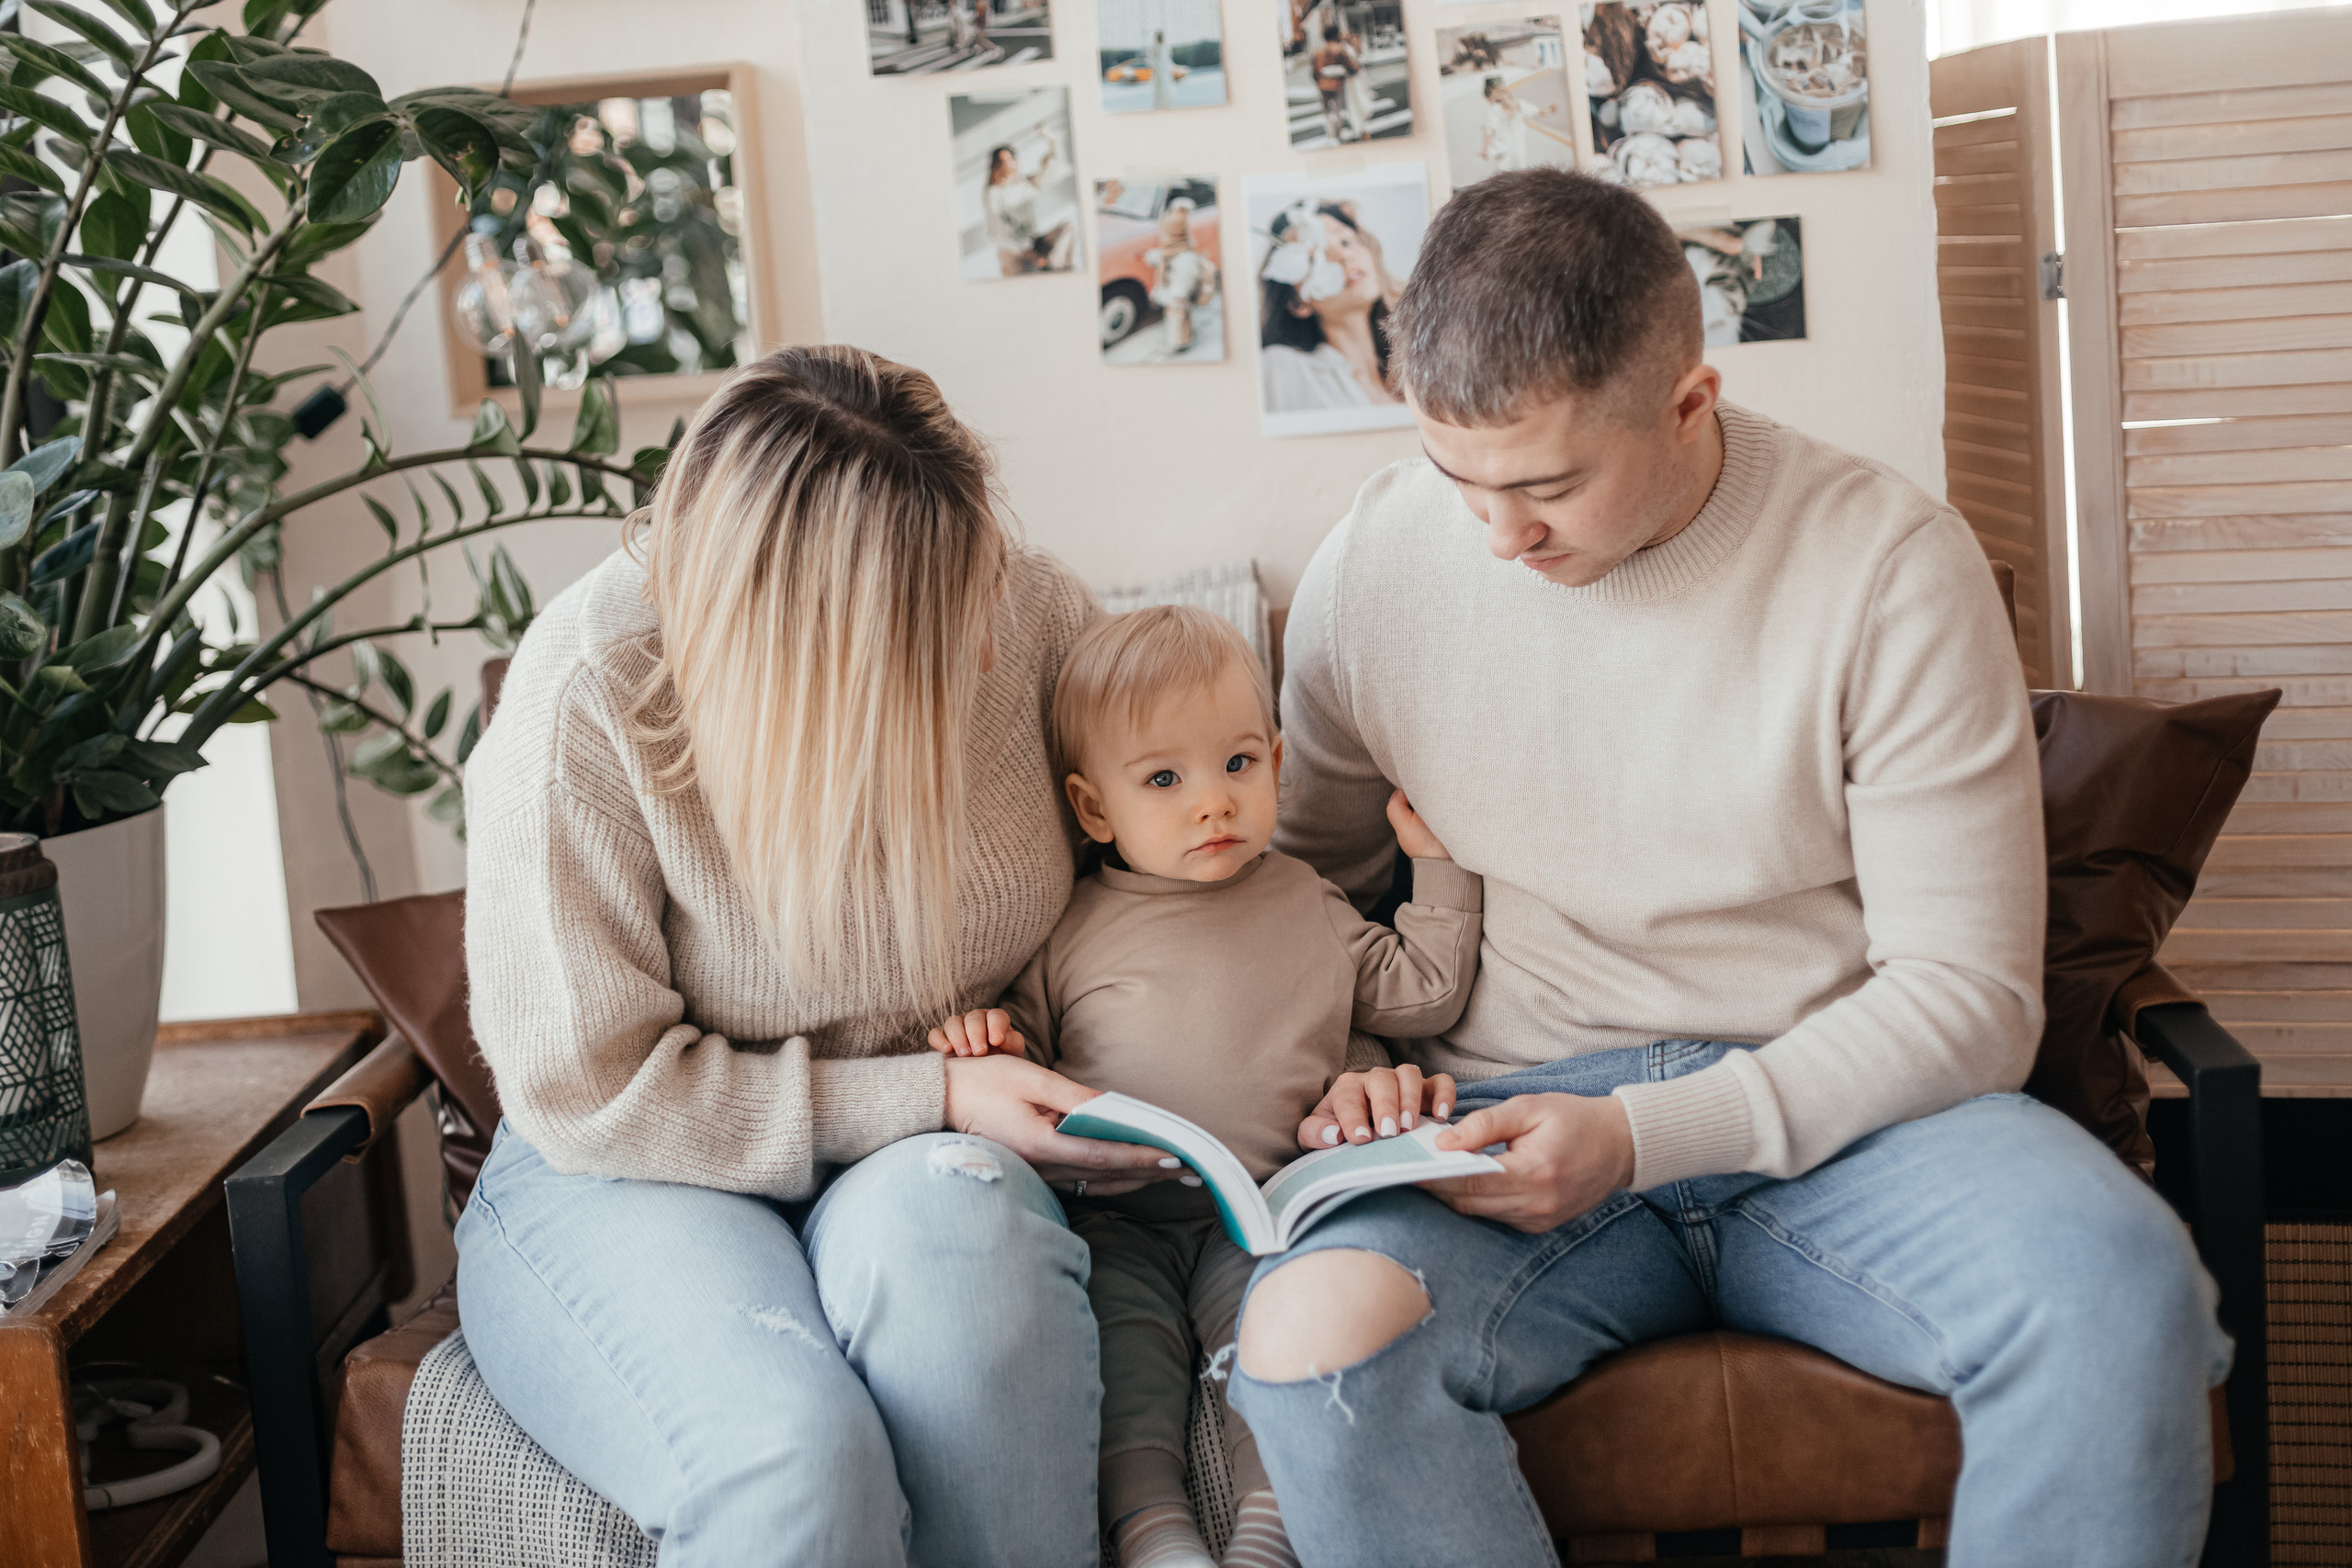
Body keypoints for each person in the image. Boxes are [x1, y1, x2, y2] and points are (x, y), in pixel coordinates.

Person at [1228, 169, 2230, 1567]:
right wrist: (1343, 1057)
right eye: (1461, 479)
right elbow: (1295, 893)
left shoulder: (1888, 561)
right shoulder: (1379, 559)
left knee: (2123, 1291)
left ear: (1690, 401)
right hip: (1502, 1120)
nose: (1501, 538)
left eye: (1551, 486)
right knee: (1303, 1333)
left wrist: (1649, 1136)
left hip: (1853, 1113)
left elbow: (1969, 996)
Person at [456, 345, 1178, 1568]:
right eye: (941, 634)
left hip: (931, 1147)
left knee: (980, 1286)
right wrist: (931, 1090)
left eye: (985, 579)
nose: (994, 652)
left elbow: (1155, 888)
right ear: (806, 655)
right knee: (797, 1462)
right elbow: (591, 1092)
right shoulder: (595, 689)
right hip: (633, 1161)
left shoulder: (1039, 615)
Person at [928, 604, 1482, 1568]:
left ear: (1276, 760)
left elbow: (1422, 991)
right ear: (1095, 809)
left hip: (1262, 1217)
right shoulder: (1071, 929)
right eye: (1163, 780)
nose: (1212, 804)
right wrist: (984, 1038)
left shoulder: (1305, 898)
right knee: (1126, 1376)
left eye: (1237, 766)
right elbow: (1022, 1061)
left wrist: (1437, 868)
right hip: (1116, 1221)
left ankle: (1266, 1536)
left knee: (1267, 1366)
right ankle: (1156, 1539)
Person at [1257, 201, 1401, 414]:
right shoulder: (1281, 368)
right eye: (1315, 256)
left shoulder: (1418, 367)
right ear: (1298, 303)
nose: (1344, 256)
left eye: (1346, 241)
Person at [985, 133, 1074, 277]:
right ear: (996, 166)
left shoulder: (1025, 184)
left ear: (1016, 161)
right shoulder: (994, 193)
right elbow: (998, 231)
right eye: (1002, 161)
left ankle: (1053, 267)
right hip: (1013, 249)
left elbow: (1051, 170)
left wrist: (1052, 139)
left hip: (1034, 241)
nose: (1006, 164)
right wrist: (1027, 252)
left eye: (1009, 159)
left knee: (1067, 228)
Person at [1146, 200, 1216, 355]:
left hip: (1178, 298)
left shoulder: (1185, 258)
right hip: (1175, 296)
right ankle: (1182, 338)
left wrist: (1178, 294)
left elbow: (1186, 276)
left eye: (1164, 234)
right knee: (1177, 319)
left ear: (1172, 235)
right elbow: (1162, 258)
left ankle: (1179, 344)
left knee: (1179, 321)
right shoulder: (1173, 251)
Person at [1478, 75, 1533, 175]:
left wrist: (1485, 150)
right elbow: (1488, 130)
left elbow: (1488, 130)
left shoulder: (1495, 109)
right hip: (1511, 154)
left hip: (1505, 154)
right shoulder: (1512, 105)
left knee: (1505, 179)